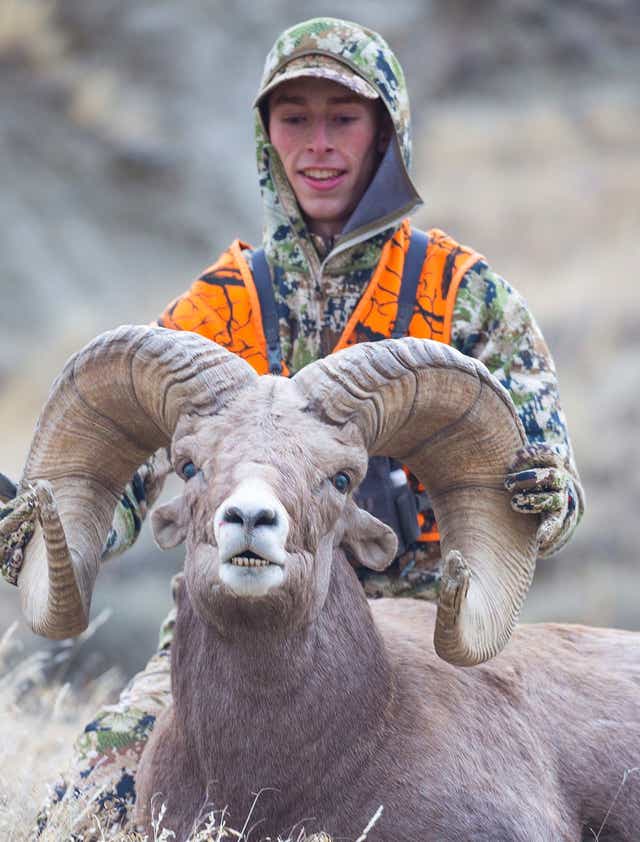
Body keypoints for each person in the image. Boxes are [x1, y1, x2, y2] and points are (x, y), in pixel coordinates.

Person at [0, 17, 584, 837]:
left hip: (407, 634)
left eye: (343, 118)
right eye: (294, 118)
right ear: (265, 134)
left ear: (386, 133)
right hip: (224, 634)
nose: (318, 145)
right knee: (87, 810)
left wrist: (543, 498)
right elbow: (123, 478)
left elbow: (540, 489)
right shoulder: (218, 306)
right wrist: (39, 530)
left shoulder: (466, 298)